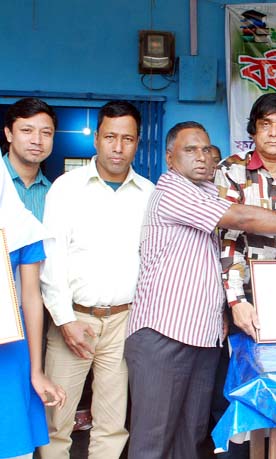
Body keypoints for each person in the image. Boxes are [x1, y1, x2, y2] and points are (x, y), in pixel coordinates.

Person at [124, 121, 276, 459]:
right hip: (163, 333)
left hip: (203, 334)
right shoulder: (171, 190)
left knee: (189, 436)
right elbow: (241, 218)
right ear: (169, 157)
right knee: (153, 439)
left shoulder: (207, 191)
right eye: (190, 150)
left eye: (207, 149)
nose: (202, 157)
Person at [39, 100, 153, 459]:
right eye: (110, 137)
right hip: (73, 319)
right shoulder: (66, 188)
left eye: (127, 139)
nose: (118, 148)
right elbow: (51, 258)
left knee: (112, 422)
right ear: (97, 140)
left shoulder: (150, 194)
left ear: (138, 142)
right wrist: (65, 320)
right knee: (57, 420)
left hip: (124, 320)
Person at [0, 161, 65, 459]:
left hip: (9, 355)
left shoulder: (20, 225)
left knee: (13, 447)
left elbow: (31, 297)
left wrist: (37, 372)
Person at [2, 97, 56, 220]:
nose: (37, 141)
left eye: (46, 133)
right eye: (27, 130)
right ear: (9, 134)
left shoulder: (55, 194)